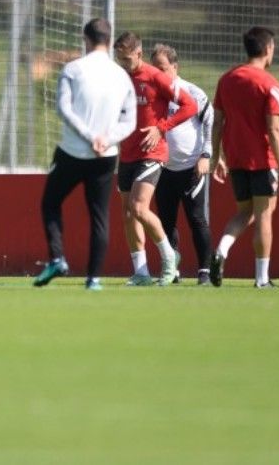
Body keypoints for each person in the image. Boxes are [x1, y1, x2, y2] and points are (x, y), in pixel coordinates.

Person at [33, 18, 136, 290]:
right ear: (108, 39)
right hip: (106, 156)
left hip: (72, 152)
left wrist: (90, 137)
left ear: (86, 39)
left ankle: (57, 258)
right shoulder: (122, 76)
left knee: (50, 203)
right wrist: (106, 139)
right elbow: (130, 122)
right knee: (99, 216)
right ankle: (94, 279)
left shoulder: (73, 69)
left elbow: (64, 110)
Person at [112, 32, 198, 286]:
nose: (123, 64)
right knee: (128, 213)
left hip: (152, 152)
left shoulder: (155, 77)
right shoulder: (119, 78)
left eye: (126, 59)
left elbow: (189, 105)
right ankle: (141, 272)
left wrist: (162, 128)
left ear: (138, 54)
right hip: (126, 153)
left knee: (139, 207)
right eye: (119, 59)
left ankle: (170, 257)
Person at [208, 27, 279, 288]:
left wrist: (216, 157)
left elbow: (217, 122)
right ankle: (262, 278)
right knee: (264, 214)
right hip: (263, 160)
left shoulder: (227, 79)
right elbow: (274, 129)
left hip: (237, 159)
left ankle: (221, 250)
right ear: (267, 49)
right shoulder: (269, 83)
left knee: (244, 212)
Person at [149, 43, 214, 285]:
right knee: (165, 222)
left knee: (197, 219)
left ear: (175, 67)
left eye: (163, 68)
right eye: (154, 68)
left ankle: (204, 272)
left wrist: (206, 155)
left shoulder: (192, 92)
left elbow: (210, 121)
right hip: (162, 167)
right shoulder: (151, 95)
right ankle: (172, 270)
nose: (158, 73)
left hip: (191, 168)